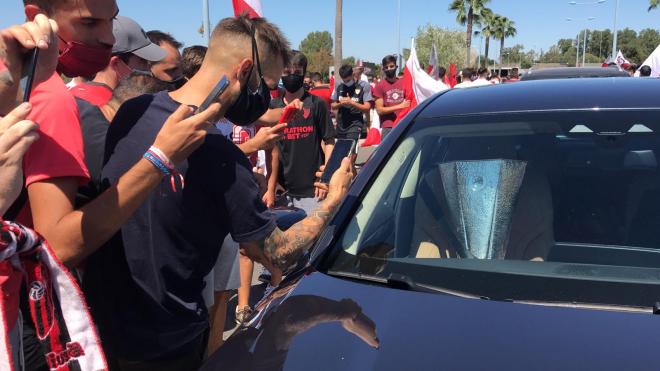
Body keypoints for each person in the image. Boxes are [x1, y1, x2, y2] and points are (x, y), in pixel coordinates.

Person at [82, 16, 354, 370]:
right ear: (243, 71)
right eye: (266, 86)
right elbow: (279, 254)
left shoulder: (135, 110)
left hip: (100, 331)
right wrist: (334, 198)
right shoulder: (219, 156)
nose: (265, 99)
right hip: (167, 343)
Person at [69, 15, 166, 108]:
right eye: (142, 61)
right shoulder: (106, 107)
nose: (148, 68)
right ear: (116, 63)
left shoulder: (75, 96)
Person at [331, 64, 373, 142]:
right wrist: (341, 104)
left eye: (348, 80)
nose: (346, 82)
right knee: (342, 152)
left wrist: (352, 103)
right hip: (341, 125)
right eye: (344, 80)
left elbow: (367, 107)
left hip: (355, 124)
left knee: (350, 150)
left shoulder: (364, 85)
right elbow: (333, 106)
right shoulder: (338, 84)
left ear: (353, 74)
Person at [373, 55, 410, 140]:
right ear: (383, 69)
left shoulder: (404, 83)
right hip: (388, 127)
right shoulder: (380, 86)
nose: (389, 69)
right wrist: (399, 106)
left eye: (391, 66)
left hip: (403, 124)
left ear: (396, 67)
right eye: (386, 67)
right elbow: (379, 110)